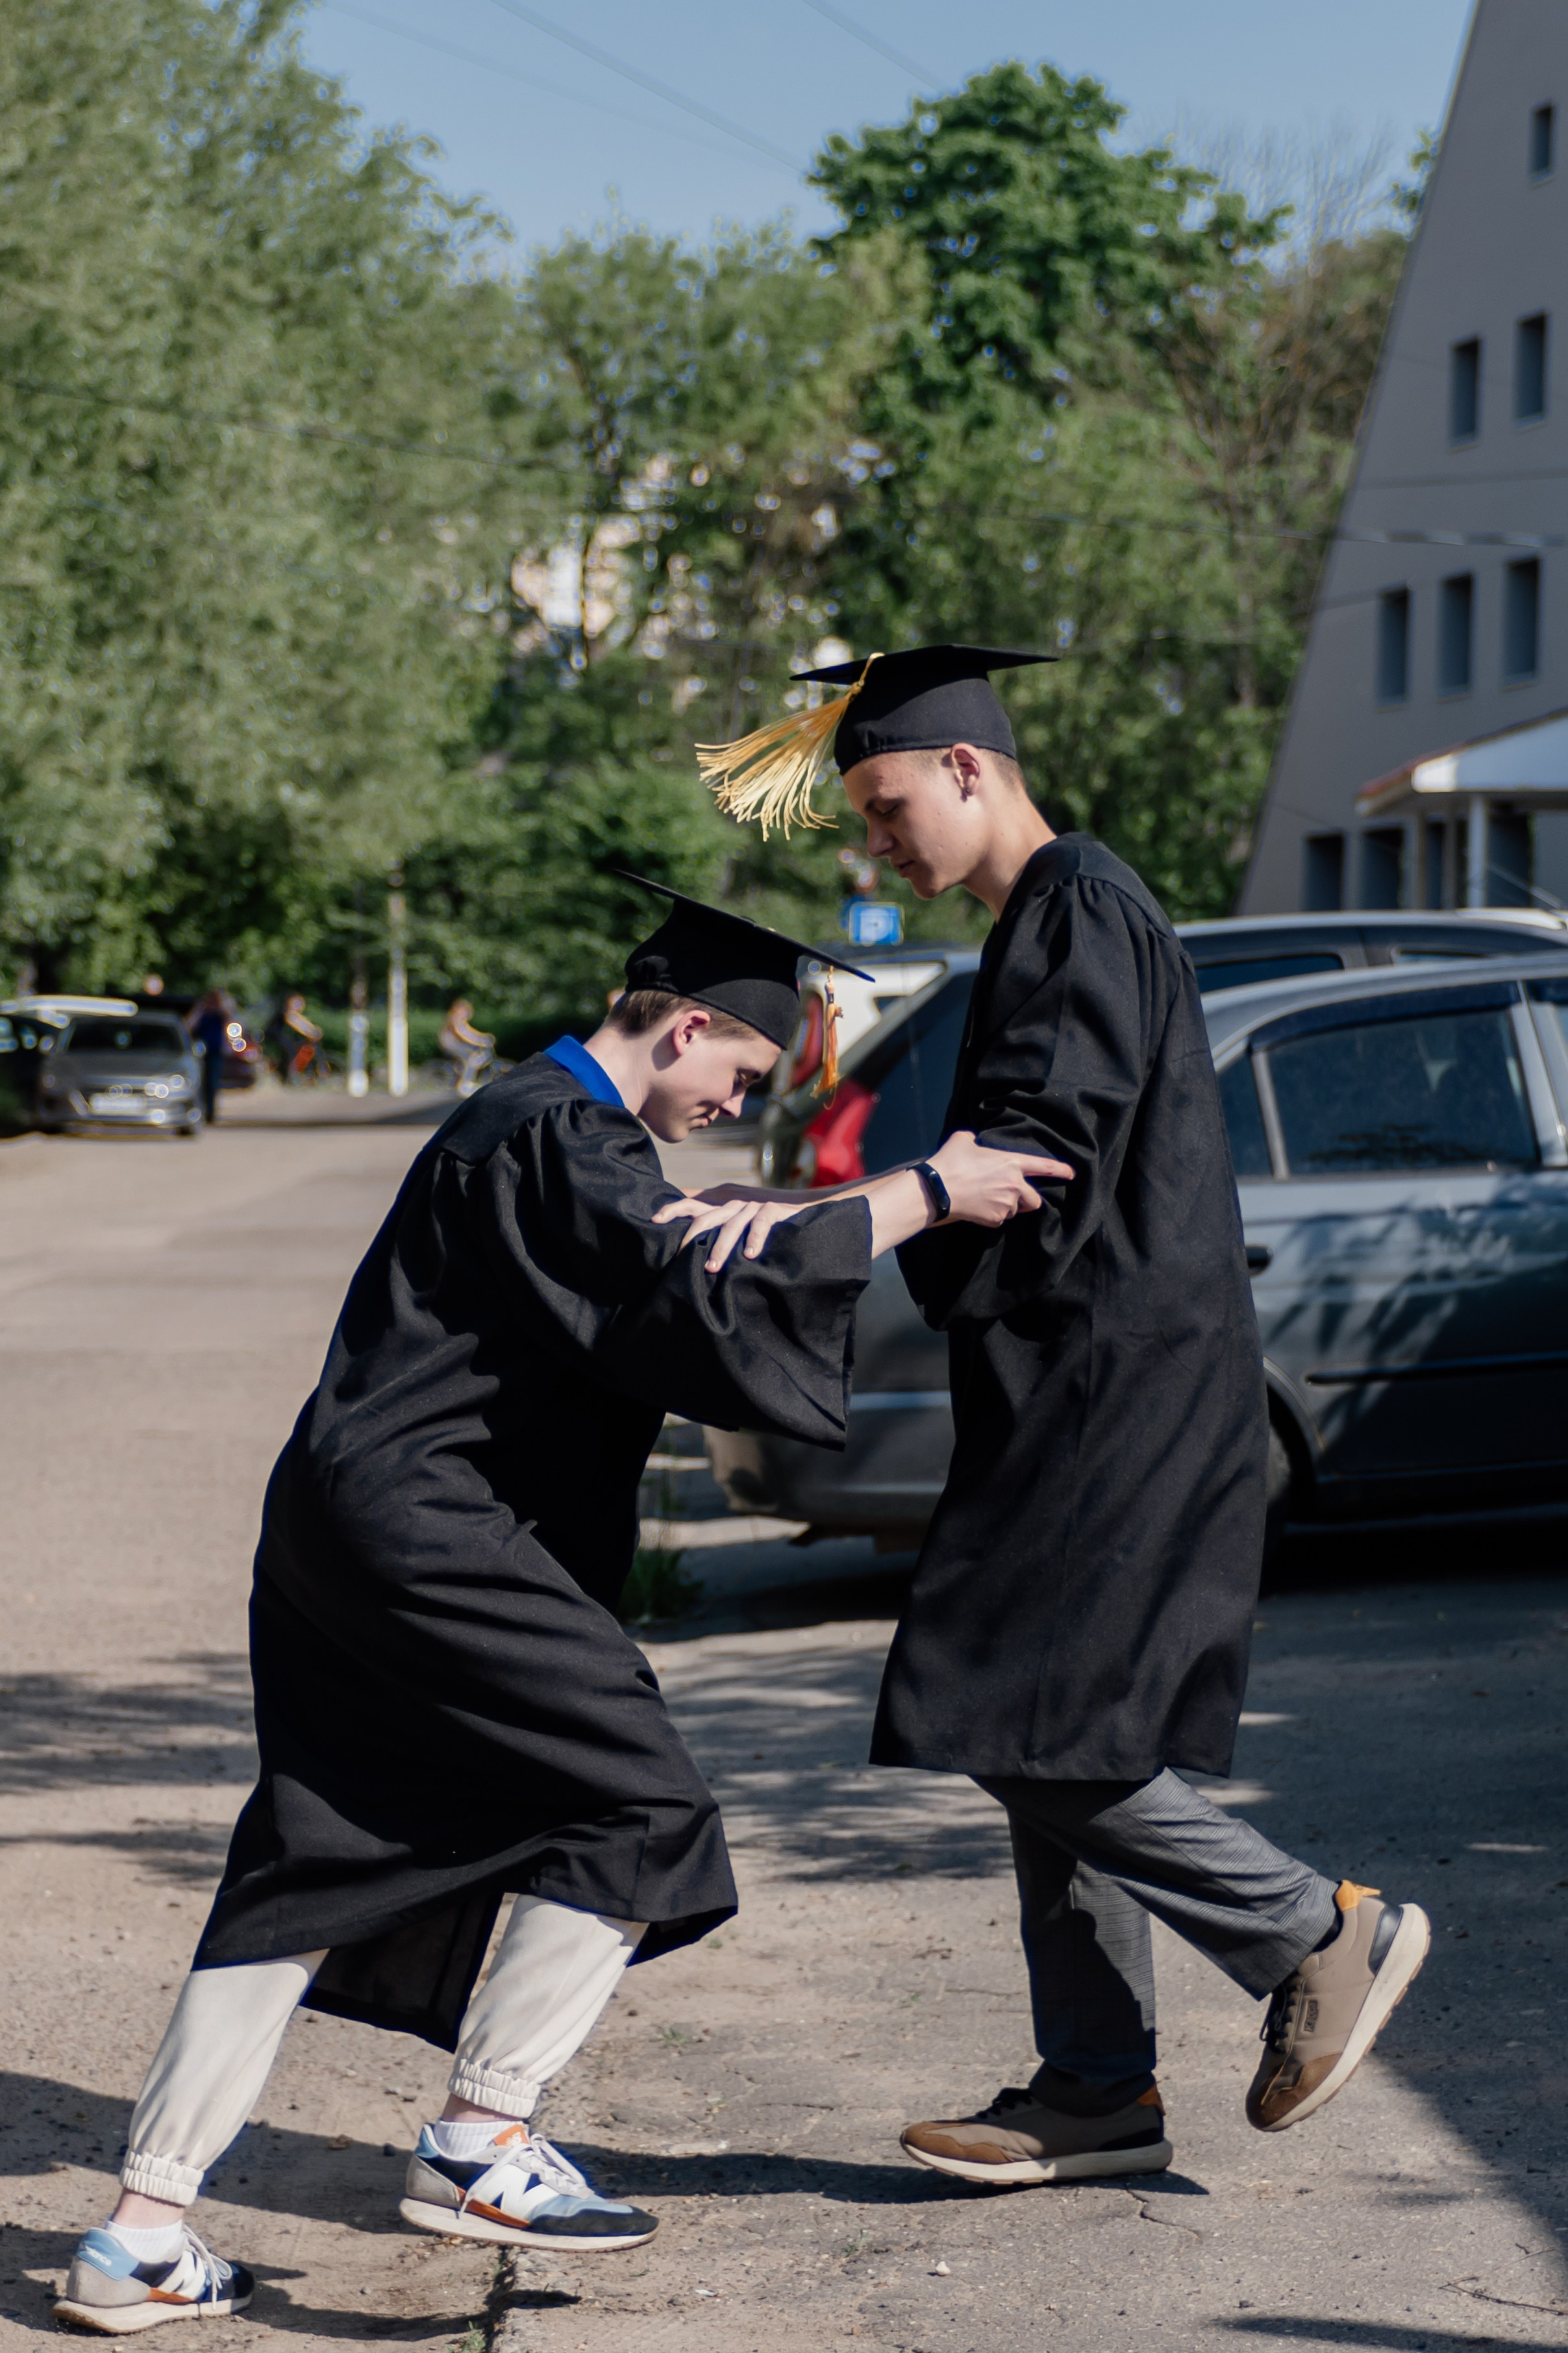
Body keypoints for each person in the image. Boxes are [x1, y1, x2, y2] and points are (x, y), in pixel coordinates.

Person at [54, 880, 1066, 2334]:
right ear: (691, 1025)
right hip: (438, 1538)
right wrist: (924, 1191)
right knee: (639, 1810)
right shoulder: (561, 1134)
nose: (736, 1103)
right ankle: (485, 2137)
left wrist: (793, 1211)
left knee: (316, 1853)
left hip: (353, 1528)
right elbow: (689, 1282)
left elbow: (681, 1254)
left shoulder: (531, 1122)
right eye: (740, 1071)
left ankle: (140, 2234)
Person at [700, 644, 1430, 2190]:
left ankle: (1318, 1926)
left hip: (1116, 1388)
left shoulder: (1080, 902)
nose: (880, 844)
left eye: (890, 805)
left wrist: (855, 1221)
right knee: (1062, 1718)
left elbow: (1038, 1147)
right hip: (1078, 1378)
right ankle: (1099, 2085)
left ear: (969, 767)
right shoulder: (1054, 913)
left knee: (1009, 1707)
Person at [188, 991, 232, 1127]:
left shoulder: (219, 1015)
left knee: (212, 1084)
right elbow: (189, 1026)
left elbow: (228, 1014)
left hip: (215, 1054)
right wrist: (200, 1009)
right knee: (200, 1084)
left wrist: (219, 1004)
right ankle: (200, 1112)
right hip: (199, 1054)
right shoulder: (202, 1014)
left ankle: (211, 1114)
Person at [439, 996, 496, 1096]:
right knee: (470, 1059)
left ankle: (463, 1079)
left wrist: (483, 1037)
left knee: (473, 1057)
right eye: (465, 1010)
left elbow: (469, 1031)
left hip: (455, 1044)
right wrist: (476, 1043)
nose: (466, 1013)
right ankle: (464, 1085)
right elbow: (459, 1034)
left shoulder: (461, 1020)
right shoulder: (454, 1018)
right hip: (450, 1044)